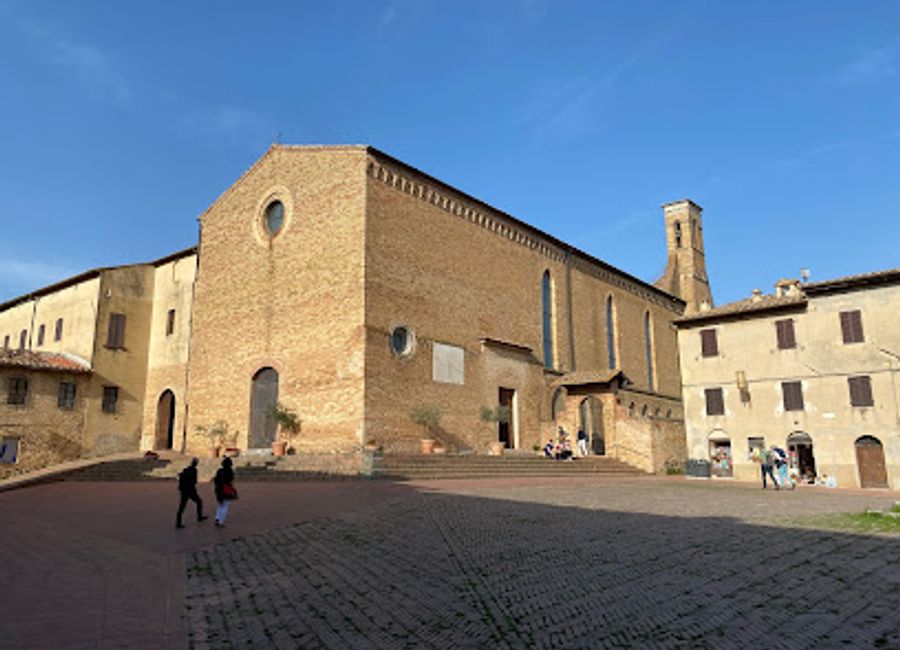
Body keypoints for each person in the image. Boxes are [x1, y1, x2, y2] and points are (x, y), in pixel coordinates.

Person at [176, 457, 207, 529]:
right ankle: (199, 516)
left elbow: (181, 476)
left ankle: (178, 522)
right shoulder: (194, 470)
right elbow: (194, 481)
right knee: (199, 502)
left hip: (184, 490)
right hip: (190, 490)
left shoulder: (185, 470)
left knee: (182, 506)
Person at [213, 457, 236, 527]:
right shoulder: (230, 471)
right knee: (225, 506)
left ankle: (217, 518)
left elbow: (215, 479)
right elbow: (231, 480)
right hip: (225, 489)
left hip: (218, 489)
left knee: (220, 504)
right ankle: (220, 522)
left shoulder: (219, 471)